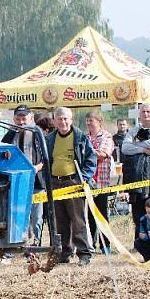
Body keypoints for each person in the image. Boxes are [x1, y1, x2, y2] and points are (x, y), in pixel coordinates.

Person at [45, 107, 96, 266]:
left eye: (66, 118)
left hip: (74, 182)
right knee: (60, 220)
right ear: (54, 121)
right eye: (59, 119)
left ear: (71, 120)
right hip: (55, 183)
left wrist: (85, 178)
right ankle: (64, 253)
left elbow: (91, 158)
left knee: (78, 220)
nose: (63, 122)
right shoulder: (49, 139)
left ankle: (84, 254)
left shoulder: (80, 137)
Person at [122, 103, 150, 242]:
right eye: (143, 112)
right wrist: (143, 149)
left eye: (149, 111)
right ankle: (140, 241)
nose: (146, 114)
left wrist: (135, 145)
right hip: (137, 179)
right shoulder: (133, 131)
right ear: (139, 114)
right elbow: (125, 147)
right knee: (138, 213)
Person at [2, 105, 45, 245]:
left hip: (36, 182)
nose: (21, 122)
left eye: (24, 118)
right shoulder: (9, 135)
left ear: (30, 118)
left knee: (36, 217)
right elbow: (2, 155)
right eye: (18, 118)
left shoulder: (38, 134)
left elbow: (47, 158)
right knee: (16, 215)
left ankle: (35, 245)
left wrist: (36, 168)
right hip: (16, 182)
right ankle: (17, 244)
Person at [84, 110, 114, 251]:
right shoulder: (84, 137)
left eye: (92, 120)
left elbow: (103, 154)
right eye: (87, 121)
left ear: (99, 121)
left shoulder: (106, 137)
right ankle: (91, 244)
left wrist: (87, 152)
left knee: (101, 214)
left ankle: (105, 245)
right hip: (87, 181)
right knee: (89, 215)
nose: (89, 123)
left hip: (101, 181)